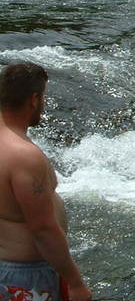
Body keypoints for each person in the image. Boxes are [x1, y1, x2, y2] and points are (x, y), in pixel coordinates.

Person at [0, 62, 92, 301]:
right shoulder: (23, 156)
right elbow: (42, 229)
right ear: (34, 99)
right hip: (26, 277)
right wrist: (76, 283)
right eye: (43, 99)